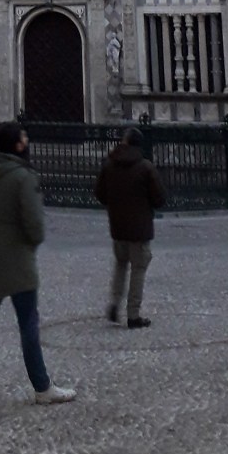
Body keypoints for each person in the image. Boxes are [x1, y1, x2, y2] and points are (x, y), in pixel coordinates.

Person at [0, 121, 76, 413]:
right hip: (18, 262)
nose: (27, 140)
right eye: (24, 137)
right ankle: (42, 387)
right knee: (28, 325)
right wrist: (31, 245)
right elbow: (35, 226)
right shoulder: (23, 177)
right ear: (19, 145)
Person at [95, 126, 166, 329]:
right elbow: (159, 198)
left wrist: (115, 203)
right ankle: (133, 314)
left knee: (120, 265)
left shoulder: (109, 165)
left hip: (117, 226)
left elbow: (99, 193)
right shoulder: (145, 167)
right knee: (138, 269)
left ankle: (114, 303)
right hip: (140, 227)